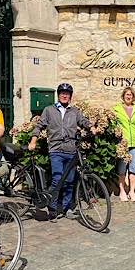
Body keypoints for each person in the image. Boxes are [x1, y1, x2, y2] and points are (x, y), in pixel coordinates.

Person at [28, 83, 93, 220]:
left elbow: (82, 121)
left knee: (69, 180)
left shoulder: (74, 111)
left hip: (70, 150)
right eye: (62, 93)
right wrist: (33, 140)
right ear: (58, 95)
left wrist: (90, 126)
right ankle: (52, 208)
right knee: (57, 178)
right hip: (56, 149)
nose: (65, 95)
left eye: (67, 93)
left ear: (70, 96)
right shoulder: (49, 110)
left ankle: (66, 208)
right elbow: (39, 125)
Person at [112, 87, 135, 202]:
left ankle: (131, 192)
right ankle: (122, 191)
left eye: (130, 95)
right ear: (123, 96)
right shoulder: (116, 109)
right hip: (123, 144)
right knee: (122, 170)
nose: (128, 96)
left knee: (134, 169)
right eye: (126, 94)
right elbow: (113, 125)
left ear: (133, 97)